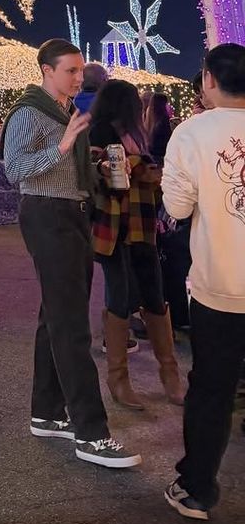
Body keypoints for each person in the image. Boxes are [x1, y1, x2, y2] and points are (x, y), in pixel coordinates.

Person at [0, 38, 141, 468]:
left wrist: (94, 167)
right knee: (70, 325)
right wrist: (62, 146)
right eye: (70, 71)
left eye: (81, 71)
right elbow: (14, 169)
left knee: (57, 315)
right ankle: (91, 433)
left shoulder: (66, 111)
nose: (79, 78)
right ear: (46, 70)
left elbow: (64, 167)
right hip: (47, 214)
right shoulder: (29, 112)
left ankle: (46, 412)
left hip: (72, 212)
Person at [162, 43, 245, 521]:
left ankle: (197, 489)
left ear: (209, 79)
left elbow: (176, 208)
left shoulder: (191, 133)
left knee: (213, 387)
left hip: (221, 284)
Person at [89, 80, 185, 409]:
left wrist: (143, 170)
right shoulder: (101, 131)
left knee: (155, 294)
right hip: (115, 228)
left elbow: (136, 175)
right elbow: (112, 183)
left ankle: (170, 374)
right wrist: (141, 169)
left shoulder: (132, 134)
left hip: (142, 226)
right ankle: (119, 379)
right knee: (119, 295)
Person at [145, 92, 174, 162]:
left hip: (152, 157)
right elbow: (168, 141)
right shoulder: (164, 120)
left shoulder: (149, 119)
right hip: (163, 158)